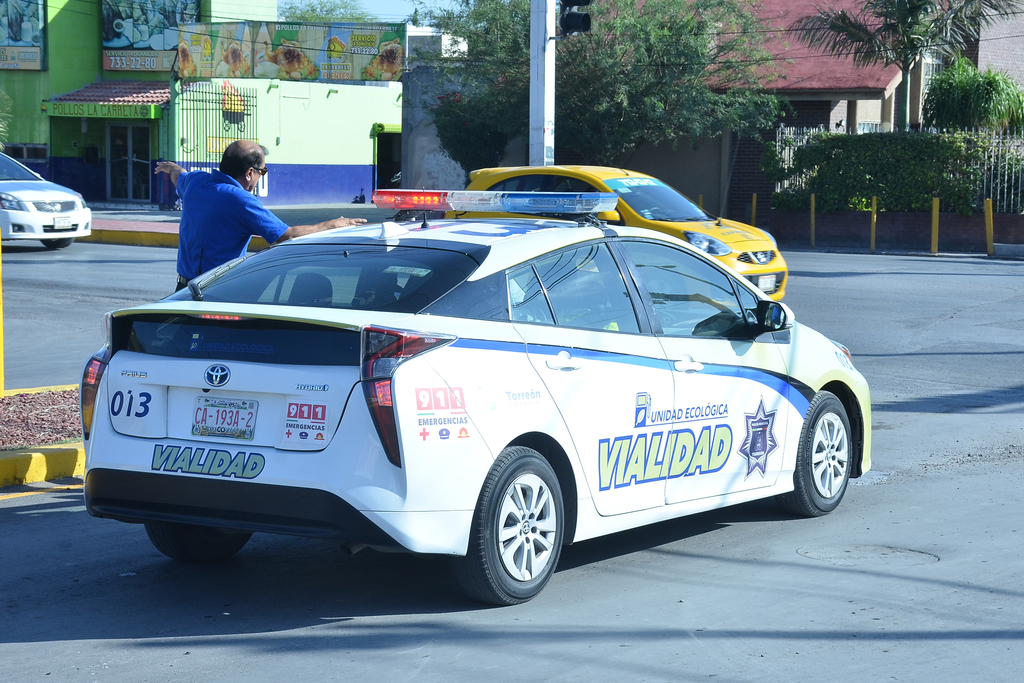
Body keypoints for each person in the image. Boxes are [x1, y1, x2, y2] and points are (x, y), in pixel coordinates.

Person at [155, 140, 366, 291]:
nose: (260, 177)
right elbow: (287, 235)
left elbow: (178, 175)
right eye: (262, 172)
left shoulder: (195, 182)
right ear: (249, 173)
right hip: (217, 291)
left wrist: (172, 167)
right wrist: (334, 224)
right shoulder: (242, 201)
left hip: (182, 290)